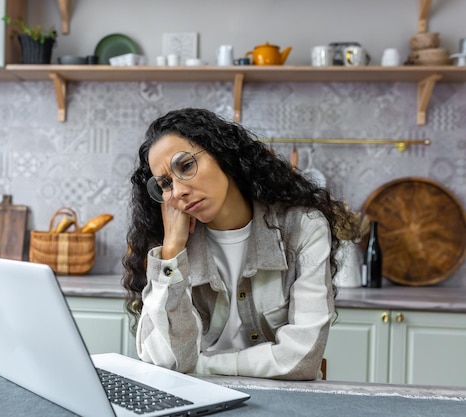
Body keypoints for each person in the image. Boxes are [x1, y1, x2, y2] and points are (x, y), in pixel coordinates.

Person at [122, 108, 356, 380]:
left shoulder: (303, 227)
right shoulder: (171, 243)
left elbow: (301, 358)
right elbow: (164, 358)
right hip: (199, 398)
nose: (179, 191)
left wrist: (202, 366)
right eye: (165, 184)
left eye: (186, 166)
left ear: (223, 155)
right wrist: (173, 250)